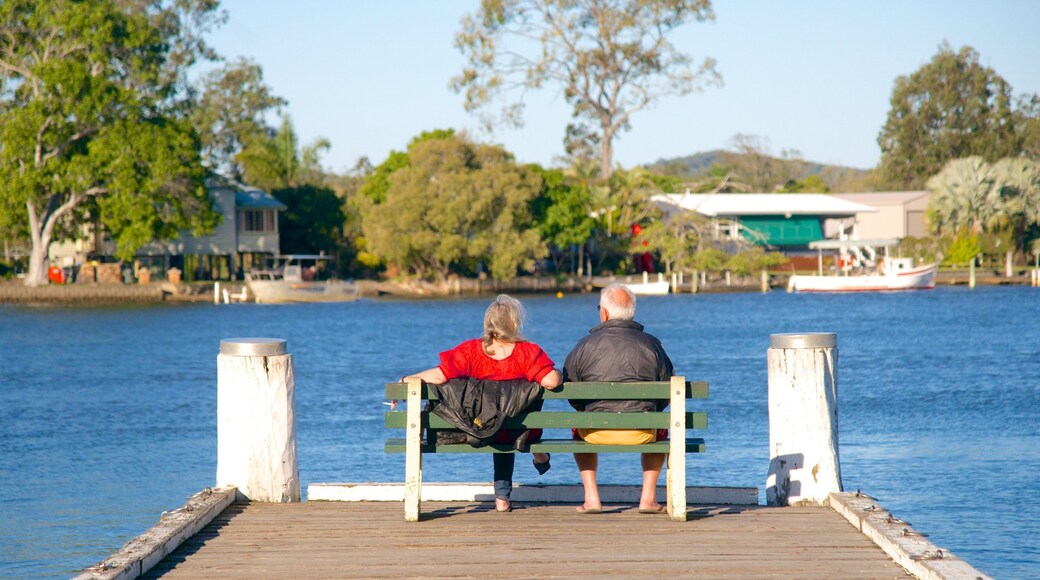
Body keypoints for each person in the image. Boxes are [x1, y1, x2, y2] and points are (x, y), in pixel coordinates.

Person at [400, 294, 562, 512]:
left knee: (495, 419)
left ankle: (505, 495)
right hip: (519, 430)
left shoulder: (471, 351)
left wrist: (406, 381)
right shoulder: (527, 352)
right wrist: (559, 373)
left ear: (489, 324)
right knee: (509, 420)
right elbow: (551, 381)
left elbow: (439, 376)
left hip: (477, 428)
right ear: (514, 323)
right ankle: (529, 468)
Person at [563, 283, 674, 514]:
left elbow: (572, 393)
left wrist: (586, 409)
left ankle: (592, 498)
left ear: (604, 313)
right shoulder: (652, 344)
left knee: (578, 422)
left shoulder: (583, 345)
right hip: (643, 432)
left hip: (594, 432)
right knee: (659, 423)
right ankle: (648, 499)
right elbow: (667, 393)